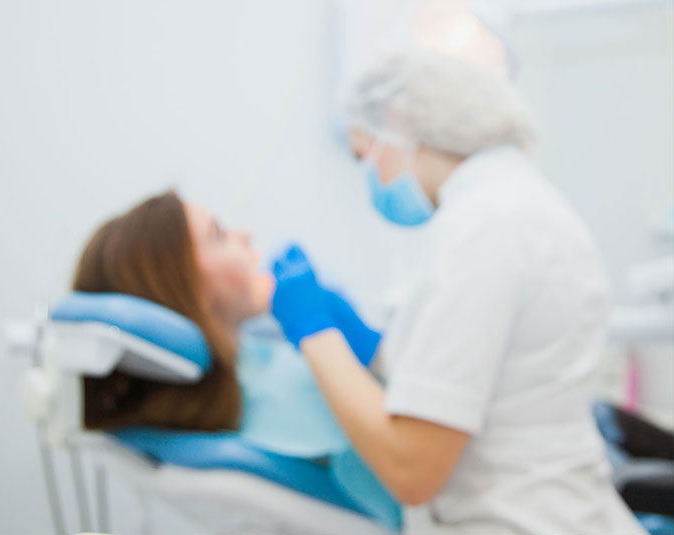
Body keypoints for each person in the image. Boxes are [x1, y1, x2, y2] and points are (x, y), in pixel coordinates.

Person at [268, 49, 645, 534]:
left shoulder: (480, 228)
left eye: (367, 156)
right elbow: (489, 377)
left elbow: (411, 469)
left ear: (400, 124)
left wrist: (315, 334)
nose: (372, 179)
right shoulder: (521, 205)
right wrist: (374, 349)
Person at [70, 191, 402, 529]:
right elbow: (409, 467)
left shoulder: (257, 362)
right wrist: (325, 337)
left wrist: (370, 354)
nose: (245, 236)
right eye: (219, 235)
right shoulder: (279, 406)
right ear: (184, 289)